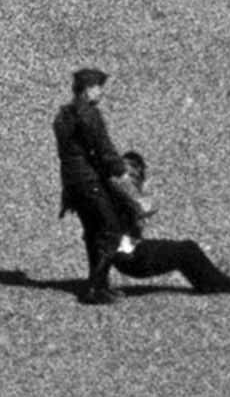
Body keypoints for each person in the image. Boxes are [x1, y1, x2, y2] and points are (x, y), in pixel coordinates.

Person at [53, 67, 150, 304]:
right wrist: (123, 175)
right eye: (98, 87)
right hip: (88, 181)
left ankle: (98, 284)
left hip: (71, 182)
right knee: (110, 229)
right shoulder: (88, 114)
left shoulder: (62, 115)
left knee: (92, 231)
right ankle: (96, 288)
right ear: (87, 89)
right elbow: (104, 149)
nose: (101, 92)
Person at [111, 151, 230, 295]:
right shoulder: (119, 195)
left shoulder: (116, 195)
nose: (132, 176)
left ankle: (208, 283)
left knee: (185, 252)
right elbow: (146, 208)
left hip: (130, 252)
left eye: (134, 170)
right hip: (131, 257)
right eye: (129, 171)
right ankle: (226, 285)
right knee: (187, 250)